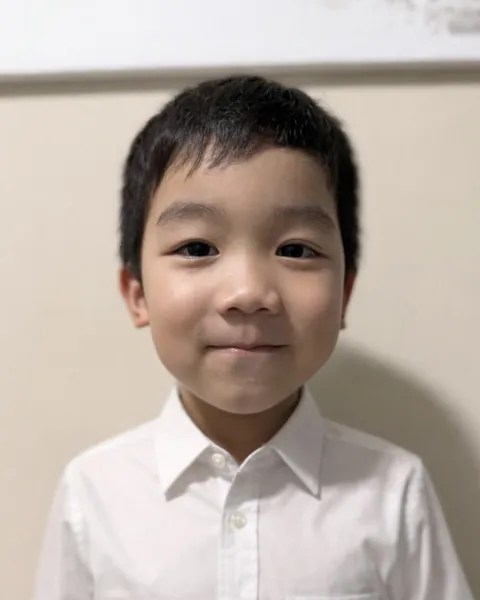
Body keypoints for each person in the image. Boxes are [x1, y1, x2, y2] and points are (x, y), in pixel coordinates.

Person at [33, 75, 474, 599]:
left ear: (344, 295)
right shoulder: (93, 493)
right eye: (197, 248)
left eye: (296, 250)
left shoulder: (394, 491)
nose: (247, 293)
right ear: (138, 293)